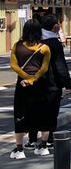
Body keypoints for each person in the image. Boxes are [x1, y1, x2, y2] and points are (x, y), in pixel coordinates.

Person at [9, 19, 52, 159]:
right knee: (44, 114)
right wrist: (33, 79)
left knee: (20, 114)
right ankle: (44, 146)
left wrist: (26, 78)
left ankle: (20, 150)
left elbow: (14, 66)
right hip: (40, 84)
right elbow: (44, 68)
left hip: (22, 85)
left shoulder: (17, 46)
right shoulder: (44, 48)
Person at [39, 14, 71, 150]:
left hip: (34, 82)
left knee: (36, 111)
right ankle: (48, 139)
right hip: (51, 83)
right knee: (51, 112)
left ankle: (32, 140)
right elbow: (60, 66)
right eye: (57, 24)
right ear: (55, 26)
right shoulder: (54, 43)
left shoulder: (36, 40)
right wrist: (69, 85)